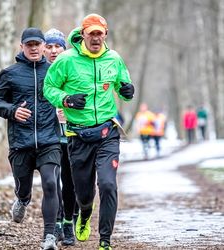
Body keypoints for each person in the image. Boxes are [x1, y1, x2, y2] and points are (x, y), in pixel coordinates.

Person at [43, 14, 135, 250]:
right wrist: (66, 99)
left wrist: (127, 90)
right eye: (91, 33)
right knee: (83, 193)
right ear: (82, 34)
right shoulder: (66, 60)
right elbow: (48, 87)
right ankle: (85, 212)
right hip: (78, 136)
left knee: (107, 185)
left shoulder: (113, 59)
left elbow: (123, 86)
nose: (95, 38)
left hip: (107, 133)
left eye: (99, 33)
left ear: (106, 35)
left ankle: (105, 240)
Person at [0, 27, 61, 250]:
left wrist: (66, 107)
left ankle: (49, 236)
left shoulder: (55, 71)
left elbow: (68, 94)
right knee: (23, 187)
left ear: (43, 46)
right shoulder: (10, 73)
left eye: (37, 44)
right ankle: (22, 199)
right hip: (21, 142)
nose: (33, 48)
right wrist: (12, 111)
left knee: (50, 183)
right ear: (22, 47)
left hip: (49, 140)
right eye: (29, 45)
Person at [44, 28, 78, 246]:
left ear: (64, 49)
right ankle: (56, 223)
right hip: (49, 137)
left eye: (58, 46)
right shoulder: (40, 71)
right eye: (50, 46)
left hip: (73, 136)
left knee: (71, 182)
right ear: (44, 49)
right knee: (51, 182)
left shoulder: (72, 68)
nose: (54, 50)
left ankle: (69, 222)